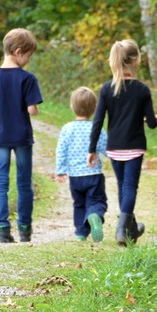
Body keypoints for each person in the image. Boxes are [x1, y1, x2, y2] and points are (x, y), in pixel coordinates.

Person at [89, 39, 157, 246]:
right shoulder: (142, 90)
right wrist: (156, 121)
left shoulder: (106, 89)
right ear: (136, 59)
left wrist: (92, 149)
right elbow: (151, 123)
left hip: (114, 146)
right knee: (130, 186)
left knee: (122, 186)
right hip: (135, 146)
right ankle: (122, 229)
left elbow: (98, 120)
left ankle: (130, 230)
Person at [0, 28, 43, 244]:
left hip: (0, 137)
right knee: (24, 182)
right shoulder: (27, 78)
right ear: (18, 51)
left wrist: (0, 111)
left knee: (0, 182)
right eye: (28, 56)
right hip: (22, 136)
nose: (28, 61)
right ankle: (24, 227)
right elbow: (32, 110)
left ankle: (2, 229)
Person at [56, 87, 108, 242]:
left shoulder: (67, 129)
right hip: (94, 174)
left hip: (75, 177)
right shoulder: (96, 128)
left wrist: (60, 171)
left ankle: (81, 233)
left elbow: (61, 150)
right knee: (97, 201)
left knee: (79, 204)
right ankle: (94, 215)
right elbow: (106, 148)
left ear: (72, 107)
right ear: (94, 108)